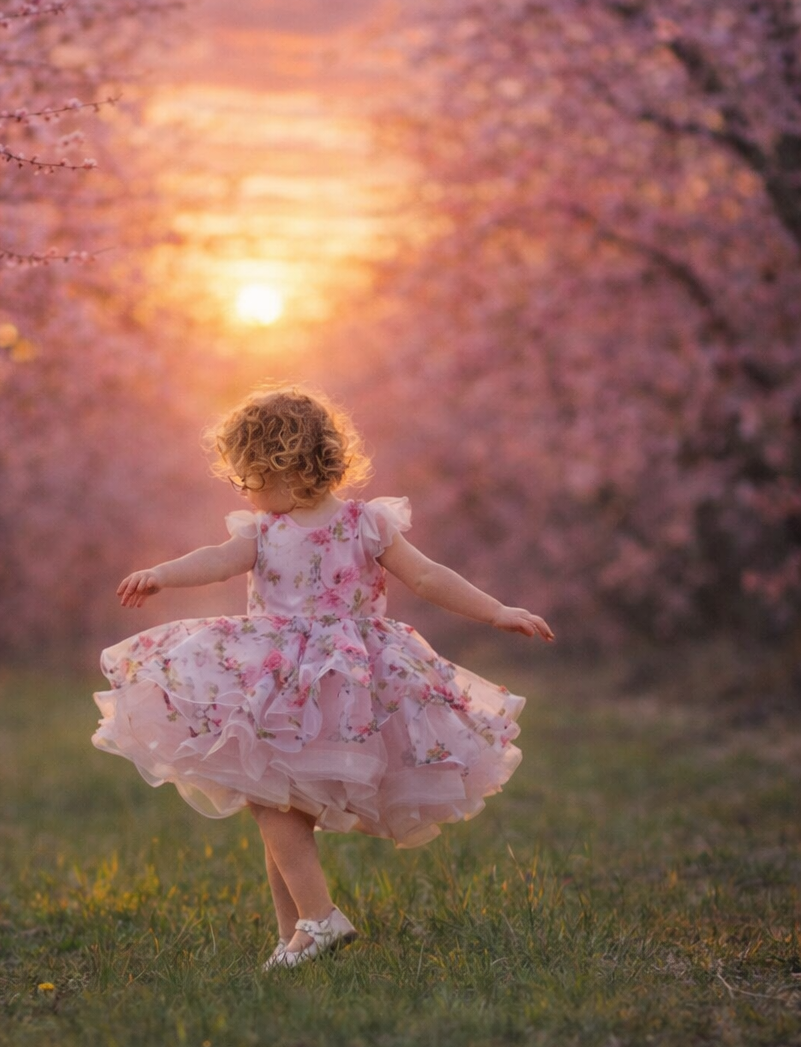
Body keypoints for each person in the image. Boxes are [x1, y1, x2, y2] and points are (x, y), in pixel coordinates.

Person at [92, 384, 554, 971]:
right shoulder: (263, 531)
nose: (243, 490)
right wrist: (162, 573)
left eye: (246, 477)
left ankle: (320, 921)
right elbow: (212, 559)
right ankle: (297, 938)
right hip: (283, 680)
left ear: (279, 464)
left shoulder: (368, 524)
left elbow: (430, 577)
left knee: (271, 802)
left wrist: (496, 611)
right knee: (275, 802)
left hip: (337, 682)